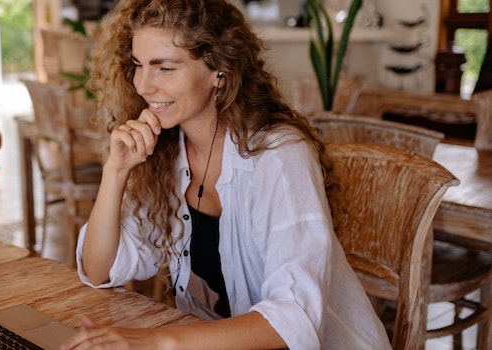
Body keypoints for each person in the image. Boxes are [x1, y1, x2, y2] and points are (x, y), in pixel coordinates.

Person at [60, 0, 391, 349]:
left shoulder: (279, 155)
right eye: (138, 65)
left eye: (165, 68)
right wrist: (116, 172)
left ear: (219, 71)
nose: (143, 85)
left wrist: (157, 343)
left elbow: (294, 318)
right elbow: (100, 270)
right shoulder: (167, 149)